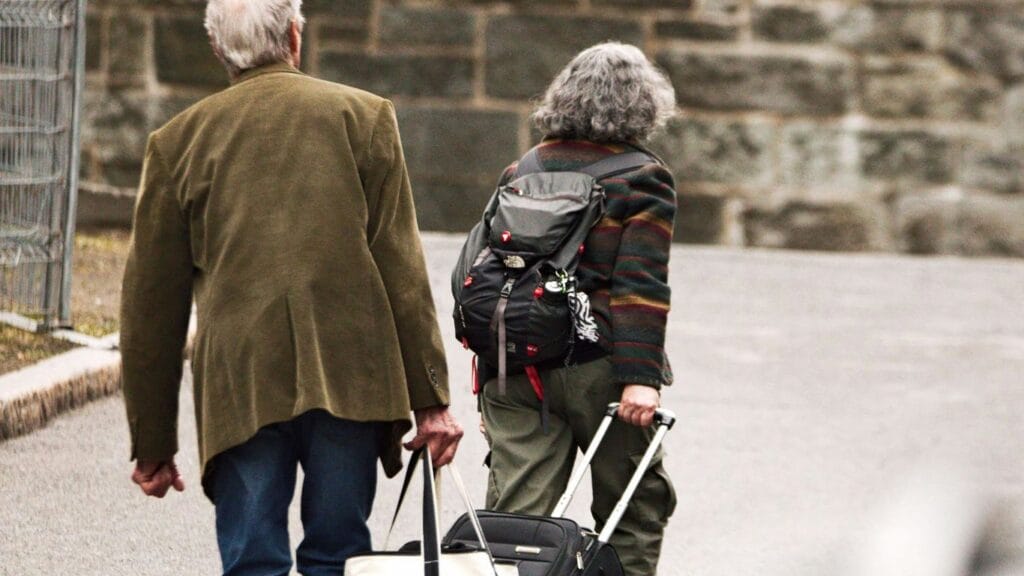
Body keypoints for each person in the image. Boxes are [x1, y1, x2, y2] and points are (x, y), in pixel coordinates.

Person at [119, 0, 463, 574]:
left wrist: (153, 442)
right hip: (350, 374)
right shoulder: (365, 116)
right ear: (295, 37)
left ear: (218, 49)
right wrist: (430, 403)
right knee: (337, 557)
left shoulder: (177, 143)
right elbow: (400, 266)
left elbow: (151, 310)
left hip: (242, 380)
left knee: (253, 561)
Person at [477, 42, 678, 576]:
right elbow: (640, 285)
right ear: (643, 104)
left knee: (517, 519)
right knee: (631, 507)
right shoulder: (644, 178)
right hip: (602, 371)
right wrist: (641, 378)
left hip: (516, 368)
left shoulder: (521, 168)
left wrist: (490, 382)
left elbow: (486, 275)